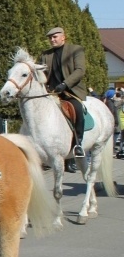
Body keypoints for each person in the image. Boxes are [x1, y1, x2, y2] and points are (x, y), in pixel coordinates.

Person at [41, 26, 87, 173]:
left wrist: (65, 84)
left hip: (70, 91)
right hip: (51, 93)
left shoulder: (75, 50)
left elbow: (80, 70)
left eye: (55, 37)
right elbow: (41, 72)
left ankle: (77, 146)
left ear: (63, 37)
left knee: (77, 111)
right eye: (50, 38)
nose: (52, 40)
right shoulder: (45, 54)